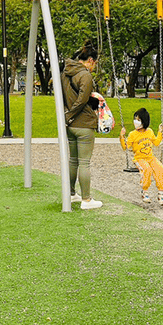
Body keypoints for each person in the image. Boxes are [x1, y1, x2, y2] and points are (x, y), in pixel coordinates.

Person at [62, 41, 102, 210]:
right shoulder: (85, 76)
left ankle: (71, 194)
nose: (94, 67)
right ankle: (86, 199)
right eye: (95, 63)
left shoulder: (65, 73)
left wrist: (67, 117)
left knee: (73, 160)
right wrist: (71, 115)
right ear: (90, 60)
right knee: (84, 162)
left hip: (70, 125)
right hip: (83, 123)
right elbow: (82, 100)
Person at [119, 107, 163, 206]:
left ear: (144, 121)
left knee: (160, 168)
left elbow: (156, 143)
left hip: (150, 158)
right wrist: (122, 136)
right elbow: (125, 147)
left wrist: (160, 132)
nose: (135, 122)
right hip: (139, 159)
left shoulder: (149, 132)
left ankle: (161, 193)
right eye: (135, 119)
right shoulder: (133, 134)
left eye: (138, 120)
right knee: (147, 170)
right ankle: (145, 192)